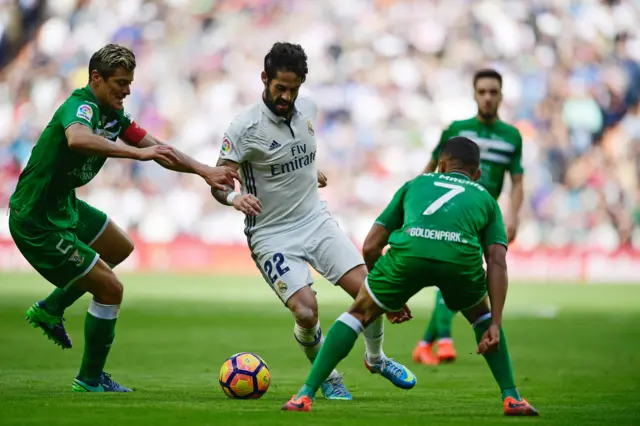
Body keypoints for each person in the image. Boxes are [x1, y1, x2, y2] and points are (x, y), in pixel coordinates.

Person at [9, 44, 239, 392]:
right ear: (96, 78)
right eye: (120, 82)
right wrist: (136, 154)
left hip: (62, 205)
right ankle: (89, 379)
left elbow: (159, 148)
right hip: (35, 216)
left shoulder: (114, 116)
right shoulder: (81, 106)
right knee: (111, 288)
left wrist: (204, 170)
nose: (127, 90)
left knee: (119, 246)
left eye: (130, 82)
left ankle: (50, 308)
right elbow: (77, 138)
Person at [211, 42, 415, 401]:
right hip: (271, 234)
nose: (286, 97)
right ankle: (329, 375)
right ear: (264, 79)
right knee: (306, 312)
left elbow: (293, 154)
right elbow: (218, 181)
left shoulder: (308, 108)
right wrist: (233, 197)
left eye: (293, 89)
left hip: (315, 220)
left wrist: (308, 173)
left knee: (373, 293)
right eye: (280, 88)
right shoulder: (243, 127)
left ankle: (377, 359)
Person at [282, 136, 538, 416]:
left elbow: (371, 245)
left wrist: (384, 296)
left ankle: (305, 395)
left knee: (358, 313)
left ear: (440, 165)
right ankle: (512, 398)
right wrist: (496, 322)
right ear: (477, 174)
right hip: (459, 262)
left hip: (409, 255)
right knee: (482, 318)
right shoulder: (485, 198)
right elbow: (497, 260)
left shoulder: (416, 184)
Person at [413, 69, 525, 365]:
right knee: (453, 273)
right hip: (452, 215)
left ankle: (425, 344)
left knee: (459, 275)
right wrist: (416, 204)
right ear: (474, 95)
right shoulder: (456, 129)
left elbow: (517, 182)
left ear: (501, 96)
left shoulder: (512, 136)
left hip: (485, 216)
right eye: (482, 92)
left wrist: (514, 216)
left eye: (493, 92)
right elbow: (432, 167)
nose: (488, 98)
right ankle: (445, 340)